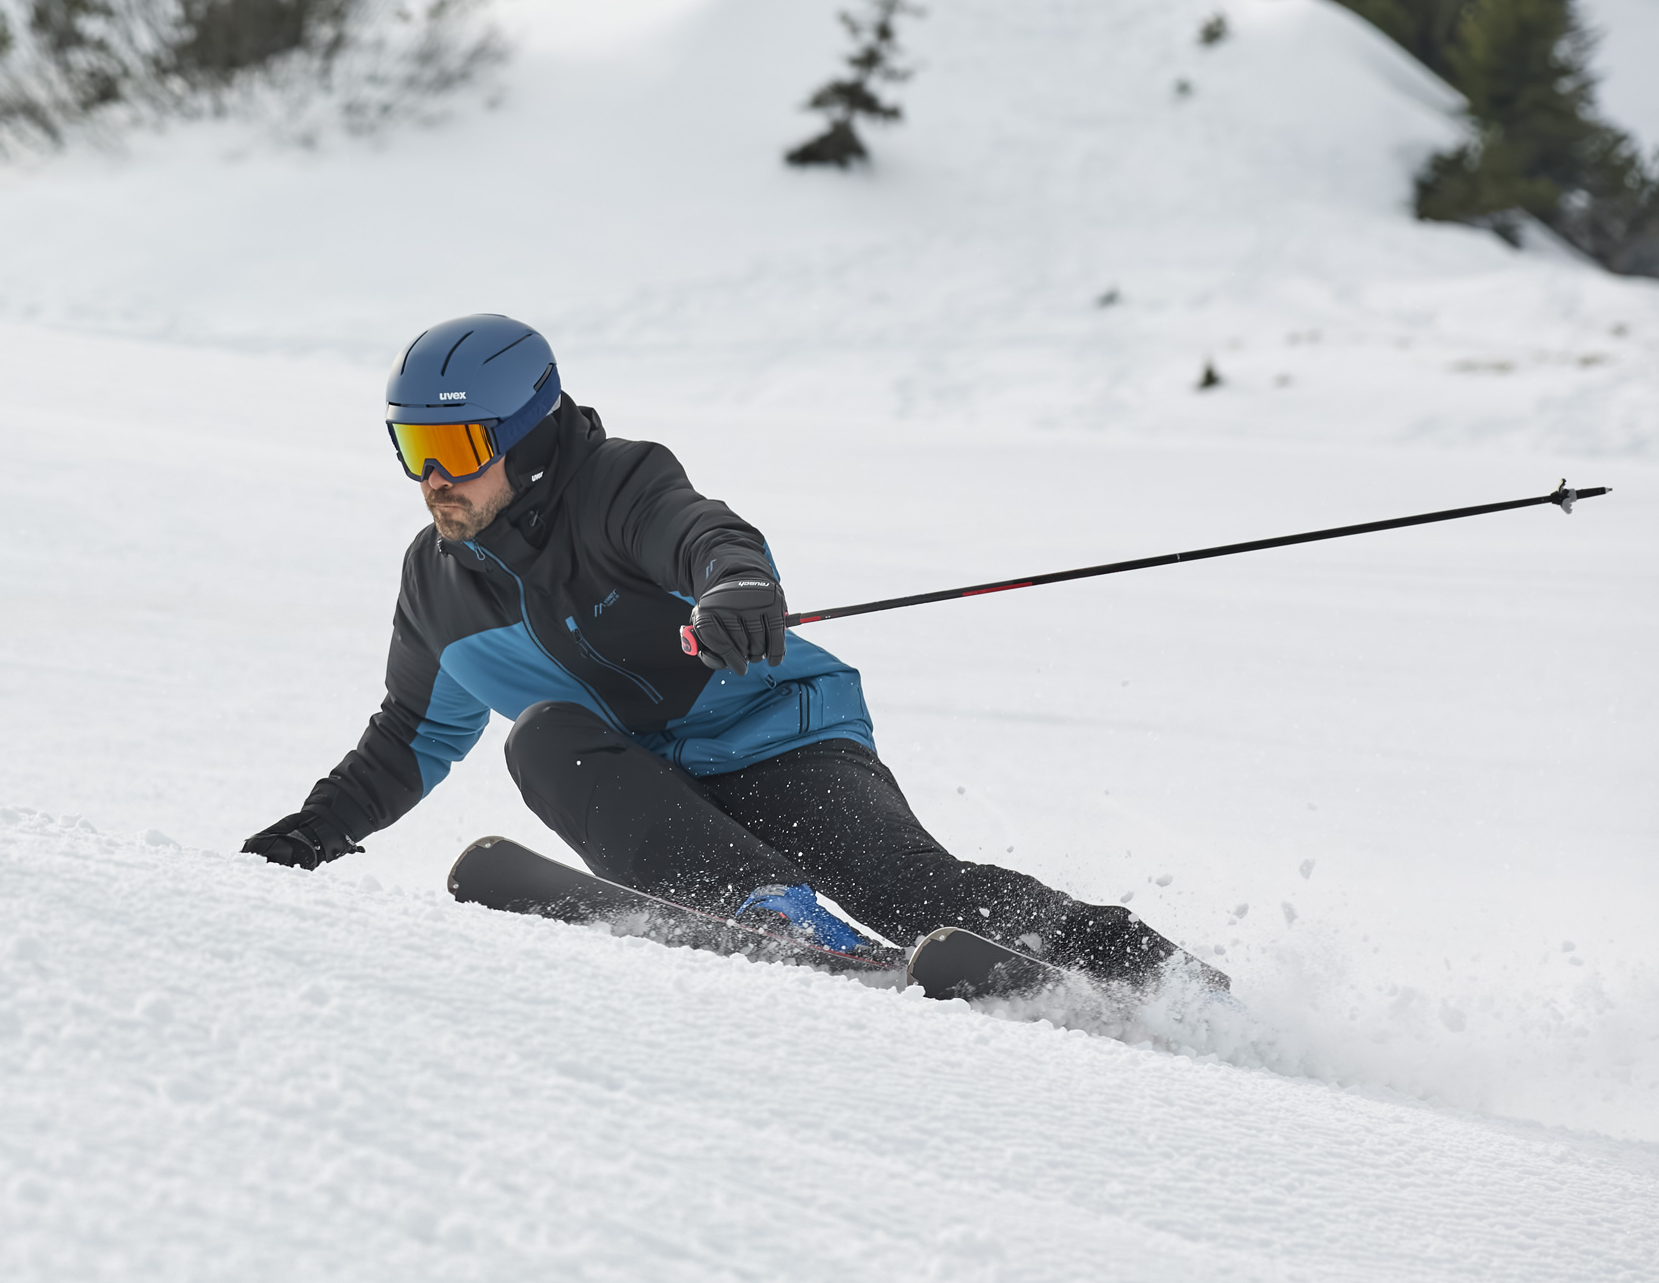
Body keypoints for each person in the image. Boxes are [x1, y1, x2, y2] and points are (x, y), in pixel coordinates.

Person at [242, 313, 1207, 985]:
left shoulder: (617, 484)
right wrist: (309, 834)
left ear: (528, 438)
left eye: (453, 450)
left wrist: (739, 588)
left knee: (910, 888)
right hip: (647, 798)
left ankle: (1148, 976)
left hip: (777, 740)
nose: (429, 481)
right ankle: (766, 915)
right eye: (412, 450)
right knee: (539, 735)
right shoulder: (438, 585)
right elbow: (408, 737)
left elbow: (705, 532)